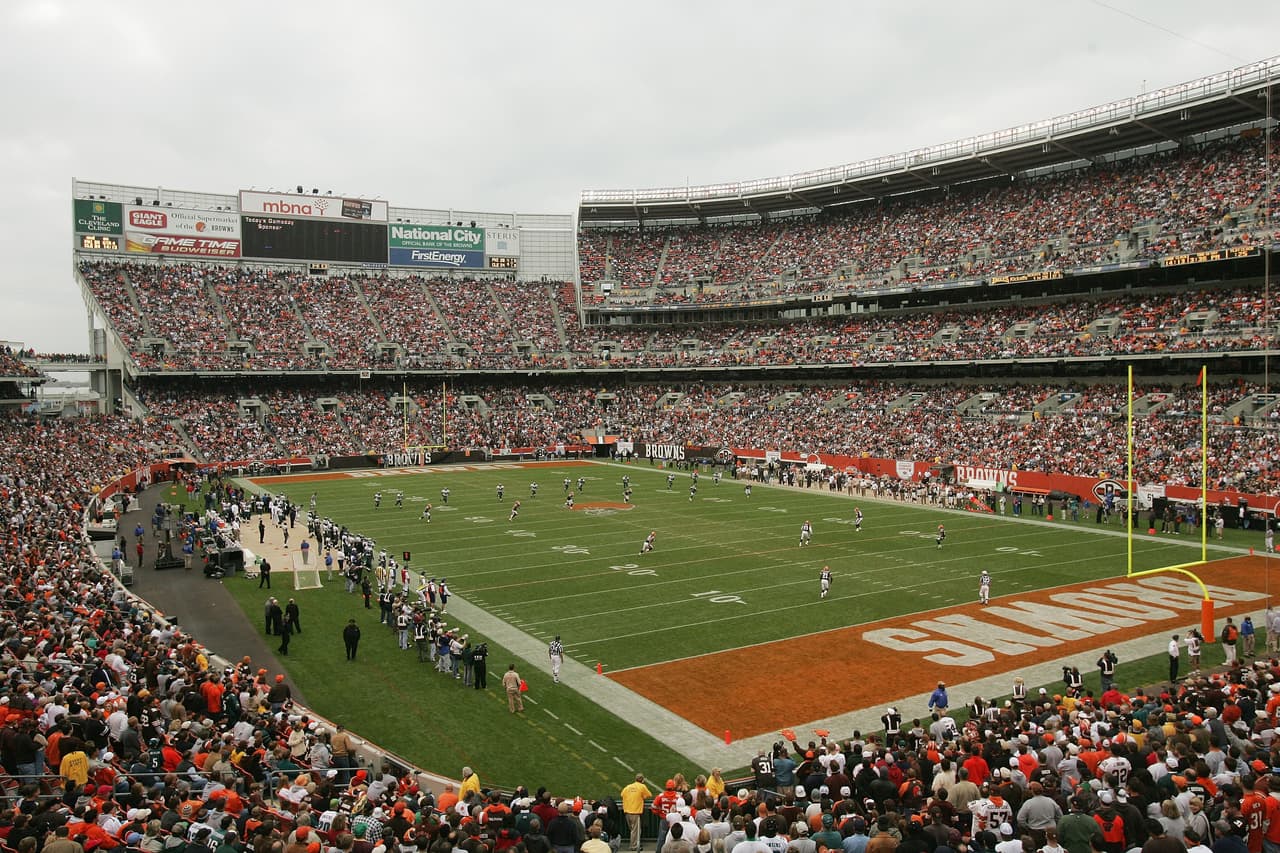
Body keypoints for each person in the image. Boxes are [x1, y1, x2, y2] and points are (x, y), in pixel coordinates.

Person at [620, 775, 653, 853]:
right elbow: (649, 795)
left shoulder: (628, 787)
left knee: (632, 830)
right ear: (642, 780)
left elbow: (622, 794)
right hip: (635, 812)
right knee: (635, 831)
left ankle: (634, 844)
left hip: (627, 811)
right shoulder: (642, 786)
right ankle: (634, 846)